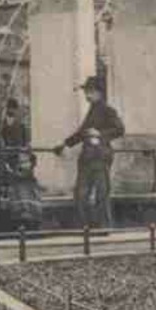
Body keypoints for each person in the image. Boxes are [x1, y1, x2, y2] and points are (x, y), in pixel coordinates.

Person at [54, 76, 125, 228]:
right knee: (80, 194)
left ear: (99, 93)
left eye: (90, 91)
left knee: (101, 194)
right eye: (86, 91)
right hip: (87, 158)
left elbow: (120, 129)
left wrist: (100, 134)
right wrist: (65, 144)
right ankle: (85, 228)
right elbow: (82, 133)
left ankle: (104, 227)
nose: (87, 95)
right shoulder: (92, 110)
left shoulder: (108, 110)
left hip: (100, 157)